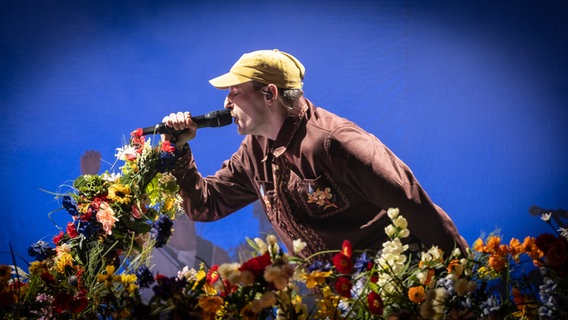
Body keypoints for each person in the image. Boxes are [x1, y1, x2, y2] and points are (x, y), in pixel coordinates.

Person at [162, 49, 468, 260]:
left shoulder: (336, 142)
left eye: (235, 91)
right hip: (340, 301)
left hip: (394, 291)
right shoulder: (254, 152)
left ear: (270, 94)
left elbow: (412, 204)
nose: (227, 103)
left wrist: (459, 278)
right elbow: (205, 206)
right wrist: (177, 149)